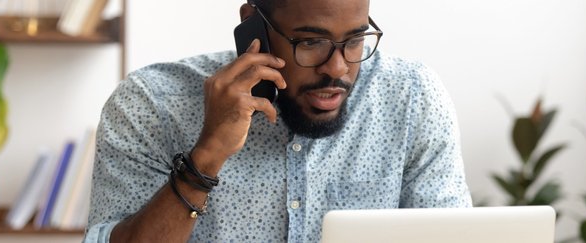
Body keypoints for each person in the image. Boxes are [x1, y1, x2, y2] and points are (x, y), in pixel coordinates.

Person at [84, 0, 472, 242]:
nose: (337, 68)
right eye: (311, 42)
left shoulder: (411, 98)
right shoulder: (152, 104)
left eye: (355, 40)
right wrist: (207, 156)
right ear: (253, 26)